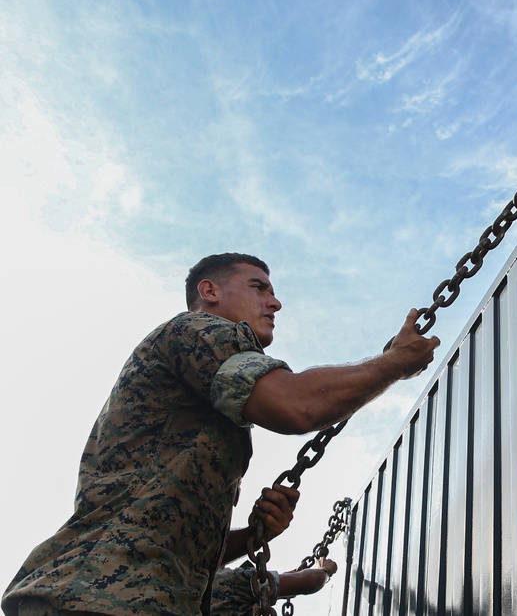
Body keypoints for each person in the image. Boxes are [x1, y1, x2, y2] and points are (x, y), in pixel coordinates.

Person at [3, 253, 439, 616]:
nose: (275, 302)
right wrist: (395, 363)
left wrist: (251, 536)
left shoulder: (200, 398)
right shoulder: (196, 331)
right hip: (93, 599)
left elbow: (168, 539)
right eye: (258, 287)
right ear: (209, 291)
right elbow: (297, 405)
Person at [210, 558, 338, 615]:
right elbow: (311, 581)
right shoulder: (228, 584)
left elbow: (268, 589)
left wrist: (293, 574)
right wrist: (326, 570)